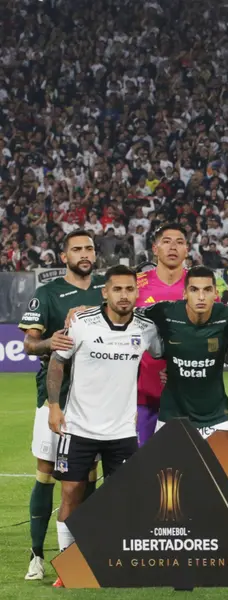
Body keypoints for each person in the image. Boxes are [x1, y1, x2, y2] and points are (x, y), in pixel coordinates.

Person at [43, 266, 160, 588]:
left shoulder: (146, 328)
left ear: (137, 293)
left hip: (122, 430)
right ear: (104, 292)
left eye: (129, 289)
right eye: (117, 289)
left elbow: (164, 352)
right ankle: (68, 568)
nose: (124, 295)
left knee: (124, 498)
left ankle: (114, 561)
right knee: (70, 493)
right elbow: (57, 362)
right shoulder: (81, 322)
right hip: (78, 426)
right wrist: (54, 406)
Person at [17, 232, 105, 581]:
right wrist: (48, 341)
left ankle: (85, 550)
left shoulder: (106, 289)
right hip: (56, 399)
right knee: (47, 471)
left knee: (86, 478)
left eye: (89, 249)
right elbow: (28, 343)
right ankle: (37, 554)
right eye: (77, 250)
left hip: (97, 399)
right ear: (64, 255)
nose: (84, 255)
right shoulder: (48, 293)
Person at [144, 266, 228, 437]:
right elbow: (129, 317)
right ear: (185, 293)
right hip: (171, 416)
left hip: (217, 418)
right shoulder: (165, 312)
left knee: (226, 465)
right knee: (170, 465)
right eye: (194, 290)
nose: (201, 297)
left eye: (207, 290)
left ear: (216, 293)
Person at [135, 224, 190, 447]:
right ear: (155, 249)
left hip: (189, 394)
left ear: (187, 249)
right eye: (166, 241)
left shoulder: (200, 286)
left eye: (179, 242)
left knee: (184, 467)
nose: (173, 247)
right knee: (142, 465)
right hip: (143, 394)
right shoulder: (135, 285)